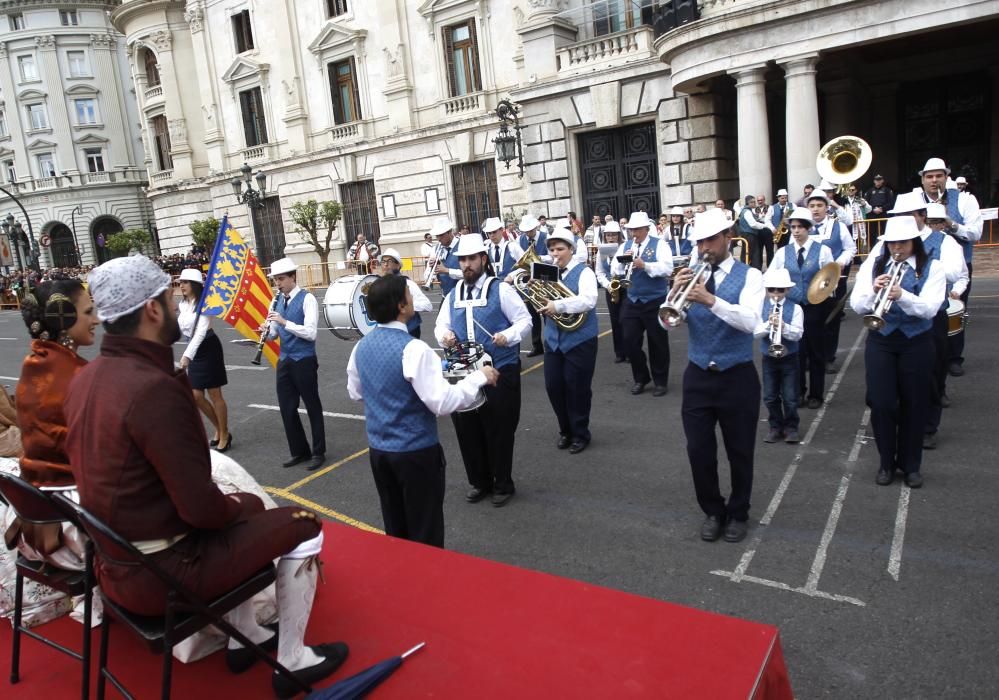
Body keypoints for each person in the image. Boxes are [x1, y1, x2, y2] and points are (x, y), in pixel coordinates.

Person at [64, 256, 349, 695]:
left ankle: (248, 636)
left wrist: (242, 507)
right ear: (151, 310)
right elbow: (201, 511)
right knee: (303, 525)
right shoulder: (153, 389)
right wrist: (236, 507)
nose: (179, 306)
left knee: (250, 506)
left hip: (115, 567)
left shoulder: (86, 378)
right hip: (165, 572)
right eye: (170, 298)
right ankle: (293, 658)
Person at [347, 275, 499, 547]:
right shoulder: (415, 348)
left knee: (396, 527)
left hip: (380, 452)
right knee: (425, 530)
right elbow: (441, 402)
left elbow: (356, 392)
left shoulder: (360, 346)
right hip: (415, 453)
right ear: (400, 306)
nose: (413, 298)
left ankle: (403, 581)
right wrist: (479, 377)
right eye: (409, 294)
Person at [665, 208, 764, 543]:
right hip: (698, 375)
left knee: (740, 451)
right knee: (699, 450)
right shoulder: (690, 272)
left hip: (737, 375)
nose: (705, 246)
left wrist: (711, 300)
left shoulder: (750, 276)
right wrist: (672, 297)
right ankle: (712, 510)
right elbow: (669, 322)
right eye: (700, 241)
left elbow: (751, 323)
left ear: (727, 238)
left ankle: (738, 512)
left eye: (711, 239)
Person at [849, 217, 945, 489]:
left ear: (914, 243)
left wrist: (901, 294)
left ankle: (911, 465)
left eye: (902, 243)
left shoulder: (932, 267)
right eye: (891, 243)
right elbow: (857, 305)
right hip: (882, 339)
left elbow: (929, 309)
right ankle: (886, 463)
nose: (896, 249)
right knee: (882, 403)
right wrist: (874, 291)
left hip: (917, 341)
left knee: (915, 404)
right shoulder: (876, 263)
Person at [436, 235, 531, 507]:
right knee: (466, 429)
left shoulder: (500, 289)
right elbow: (440, 325)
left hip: (499, 368)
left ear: (483, 260)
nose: (466, 264)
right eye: (462, 260)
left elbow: (524, 321)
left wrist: (508, 336)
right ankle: (479, 481)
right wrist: (444, 336)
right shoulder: (453, 294)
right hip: (462, 372)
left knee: (499, 428)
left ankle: (502, 483)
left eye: (471, 259)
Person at [882, 194, 967, 450]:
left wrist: (923, 262)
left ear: (921, 215)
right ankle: (901, 425)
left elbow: (955, 271)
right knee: (895, 377)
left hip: (931, 315)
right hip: (894, 319)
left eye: (906, 217)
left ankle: (929, 426)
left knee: (931, 374)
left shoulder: (945, 242)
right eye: (897, 218)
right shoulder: (889, 242)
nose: (901, 222)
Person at [911, 157, 982, 378]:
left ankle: (952, 358)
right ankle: (921, 356)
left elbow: (976, 234)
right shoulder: (913, 200)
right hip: (920, 265)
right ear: (922, 179)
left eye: (939, 176)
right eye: (929, 177)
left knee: (954, 311)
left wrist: (950, 223)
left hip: (955, 266)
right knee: (919, 311)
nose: (934, 181)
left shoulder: (964, 200)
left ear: (946, 177)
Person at [769, 207, 834, 410]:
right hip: (791, 305)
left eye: (800, 227)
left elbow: (829, 278)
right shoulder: (782, 252)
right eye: (793, 227)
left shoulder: (822, 250)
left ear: (808, 228)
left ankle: (816, 394)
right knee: (797, 352)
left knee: (816, 352)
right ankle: (798, 392)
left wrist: (821, 296)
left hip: (815, 307)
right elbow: (771, 275)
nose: (796, 231)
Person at [265, 258, 326, 472]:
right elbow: (274, 334)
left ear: (293, 277)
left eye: (281, 279)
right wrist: (265, 332)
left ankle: (319, 452)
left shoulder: (307, 299)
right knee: (287, 408)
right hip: (285, 359)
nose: (278, 284)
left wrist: (283, 322)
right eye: (275, 280)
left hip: (304, 359)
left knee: (312, 406)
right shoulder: (277, 300)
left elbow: (310, 333)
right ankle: (300, 450)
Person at [541, 229, 599, 454]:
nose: (556, 253)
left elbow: (589, 300)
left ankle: (580, 433)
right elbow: (541, 298)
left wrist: (559, 305)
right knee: (554, 386)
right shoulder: (549, 272)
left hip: (580, 339)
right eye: (552, 249)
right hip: (554, 339)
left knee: (577, 388)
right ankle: (565, 429)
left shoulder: (584, 272)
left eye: (560, 249)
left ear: (571, 249)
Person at [612, 211, 673, 397]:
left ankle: (660, 380)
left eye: (637, 229)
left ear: (647, 228)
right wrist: (625, 262)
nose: (634, 233)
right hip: (633, 298)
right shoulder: (626, 245)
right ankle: (641, 377)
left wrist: (644, 265)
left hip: (655, 299)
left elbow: (667, 269)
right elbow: (615, 268)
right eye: (631, 230)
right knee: (629, 340)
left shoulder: (660, 244)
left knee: (658, 342)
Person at [177, 268, 231, 452]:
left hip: (208, 348)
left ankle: (224, 434)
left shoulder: (206, 304)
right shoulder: (183, 304)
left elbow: (200, 333)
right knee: (196, 395)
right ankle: (219, 428)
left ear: (194, 284)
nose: (181, 285)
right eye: (181, 282)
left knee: (215, 394)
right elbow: (184, 330)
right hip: (194, 350)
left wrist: (186, 356)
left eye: (185, 282)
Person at [807, 190, 856, 375]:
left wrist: (839, 263)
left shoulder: (838, 226)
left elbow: (850, 248)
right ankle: (810, 356)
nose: (816, 209)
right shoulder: (803, 227)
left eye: (819, 205)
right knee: (809, 320)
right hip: (809, 281)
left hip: (833, 280)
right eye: (812, 206)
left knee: (830, 319)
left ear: (827, 207)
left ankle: (828, 357)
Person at [755, 267, 804, 444]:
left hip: (789, 357)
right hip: (769, 357)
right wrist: (769, 324)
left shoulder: (796, 309)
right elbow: (755, 333)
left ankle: (791, 428)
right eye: (771, 289)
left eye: (780, 290)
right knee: (769, 395)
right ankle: (775, 426)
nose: (775, 293)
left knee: (790, 397)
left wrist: (783, 326)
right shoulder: (761, 307)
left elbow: (798, 335)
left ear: (787, 290)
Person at [508, 214, 547, 357]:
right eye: (526, 231)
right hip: (528, 279)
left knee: (547, 313)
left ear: (536, 227)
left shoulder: (546, 237)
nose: (528, 233)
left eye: (530, 230)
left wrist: (539, 258)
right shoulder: (520, 239)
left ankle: (550, 343)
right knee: (532, 314)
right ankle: (537, 345)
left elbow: (552, 256)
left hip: (544, 277)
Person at [378, 248, 432, 339]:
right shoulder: (380, 285)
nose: (386, 264)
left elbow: (427, 306)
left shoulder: (408, 284)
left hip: (409, 331)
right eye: (383, 261)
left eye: (389, 261)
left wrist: (404, 305)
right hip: (390, 332)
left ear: (398, 265)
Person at [594, 222, 626, 363]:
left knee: (627, 320)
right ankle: (619, 352)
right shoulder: (602, 251)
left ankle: (631, 350)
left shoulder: (625, 248)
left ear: (619, 235)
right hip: (611, 288)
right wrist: (608, 285)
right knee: (615, 320)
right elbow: (599, 272)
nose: (611, 237)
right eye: (608, 235)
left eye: (613, 235)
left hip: (625, 286)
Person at [429, 217, 462, 299]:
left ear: (450, 232)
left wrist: (447, 270)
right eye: (437, 236)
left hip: (462, 296)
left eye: (441, 235)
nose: (438, 238)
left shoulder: (463, 245)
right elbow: (427, 273)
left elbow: (469, 274)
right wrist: (430, 271)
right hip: (446, 295)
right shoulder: (435, 249)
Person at [736, 195, 769, 270]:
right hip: (749, 235)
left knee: (748, 254)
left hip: (748, 235)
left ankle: (747, 270)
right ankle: (753, 271)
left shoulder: (747, 211)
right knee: (754, 254)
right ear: (748, 203)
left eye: (754, 202)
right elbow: (753, 224)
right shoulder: (747, 211)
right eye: (752, 202)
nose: (755, 203)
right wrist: (764, 226)